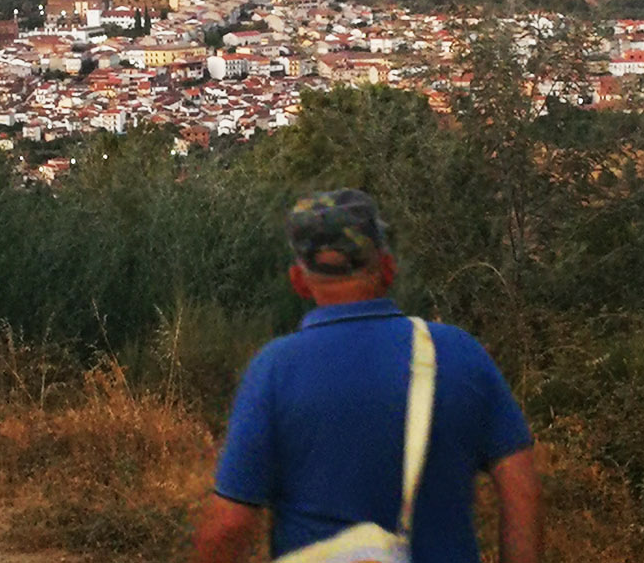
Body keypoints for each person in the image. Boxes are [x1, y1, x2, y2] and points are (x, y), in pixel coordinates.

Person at [192, 189, 541, 563]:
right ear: (388, 269)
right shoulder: (460, 354)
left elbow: (228, 527)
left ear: (299, 280)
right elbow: (521, 490)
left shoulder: (274, 370)